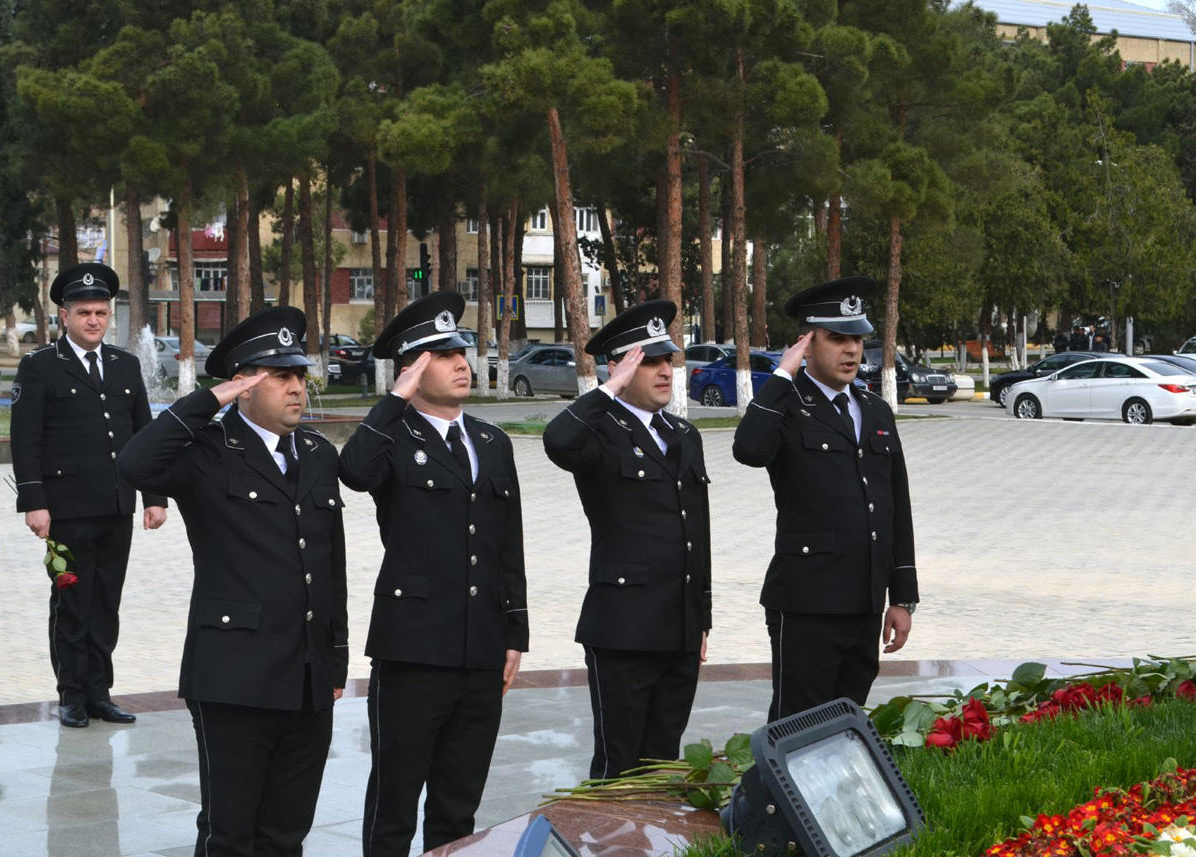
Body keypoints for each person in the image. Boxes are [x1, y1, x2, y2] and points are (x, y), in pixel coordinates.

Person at [117, 307, 348, 856]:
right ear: (243, 386)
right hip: (233, 674)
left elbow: (331, 564)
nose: (297, 389)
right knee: (230, 833)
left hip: (309, 674)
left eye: (299, 376)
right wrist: (208, 400)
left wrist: (335, 659)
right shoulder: (208, 452)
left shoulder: (316, 453)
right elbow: (133, 463)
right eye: (281, 377)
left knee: (286, 832)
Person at [340, 292, 528, 857]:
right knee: (395, 803)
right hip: (414, 647)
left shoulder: (491, 442)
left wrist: (514, 633)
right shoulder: (394, 436)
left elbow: (508, 543)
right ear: (413, 369)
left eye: (461, 351)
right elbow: (353, 471)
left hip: (480, 646)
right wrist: (394, 399)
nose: (461, 363)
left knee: (458, 802)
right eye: (442, 356)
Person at [732, 276, 918, 720]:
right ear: (807, 343)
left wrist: (902, 596)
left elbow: (896, 504)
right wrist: (781, 376)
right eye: (837, 339)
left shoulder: (875, 410)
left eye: (857, 338)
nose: (852, 350)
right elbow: (749, 450)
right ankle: (776, 794)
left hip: (865, 602)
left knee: (845, 724)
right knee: (797, 725)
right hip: (807, 603)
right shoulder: (788, 404)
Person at [543, 300, 712, 780]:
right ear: (619, 365)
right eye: (649, 360)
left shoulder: (683, 434)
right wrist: (608, 388)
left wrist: (704, 614)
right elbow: (557, 441)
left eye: (668, 360)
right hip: (624, 630)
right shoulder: (598, 432)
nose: (664, 371)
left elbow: (697, 530)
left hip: (680, 627)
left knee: (663, 764)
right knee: (619, 768)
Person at [10, 262, 168, 728]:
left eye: (101, 312)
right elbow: (25, 441)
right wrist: (34, 503)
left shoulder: (125, 363)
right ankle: (72, 695)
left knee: (106, 602)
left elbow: (146, 436)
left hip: (117, 507)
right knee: (72, 602)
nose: (94, 320)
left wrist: (154, 496)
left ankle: (100, 691)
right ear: (65, 315)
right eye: (84, 312)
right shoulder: (39, 367)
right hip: (66, 511)